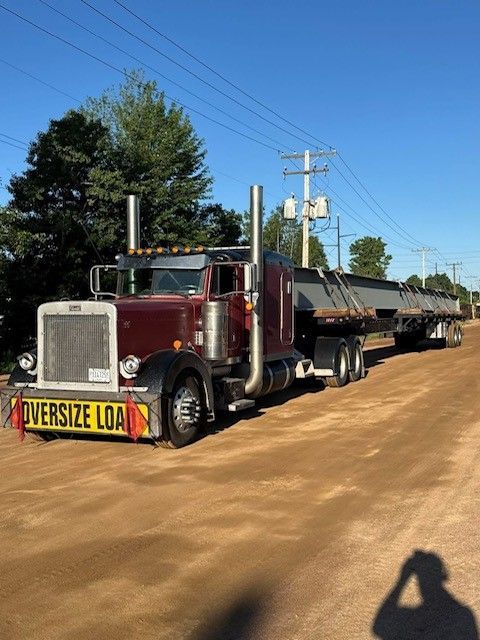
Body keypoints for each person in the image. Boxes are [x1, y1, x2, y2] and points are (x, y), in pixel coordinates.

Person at [373, 550, 478, 639]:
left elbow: (379, 627)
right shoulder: (465, 615)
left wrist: (402, 580)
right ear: (443, 576)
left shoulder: (413, 618)